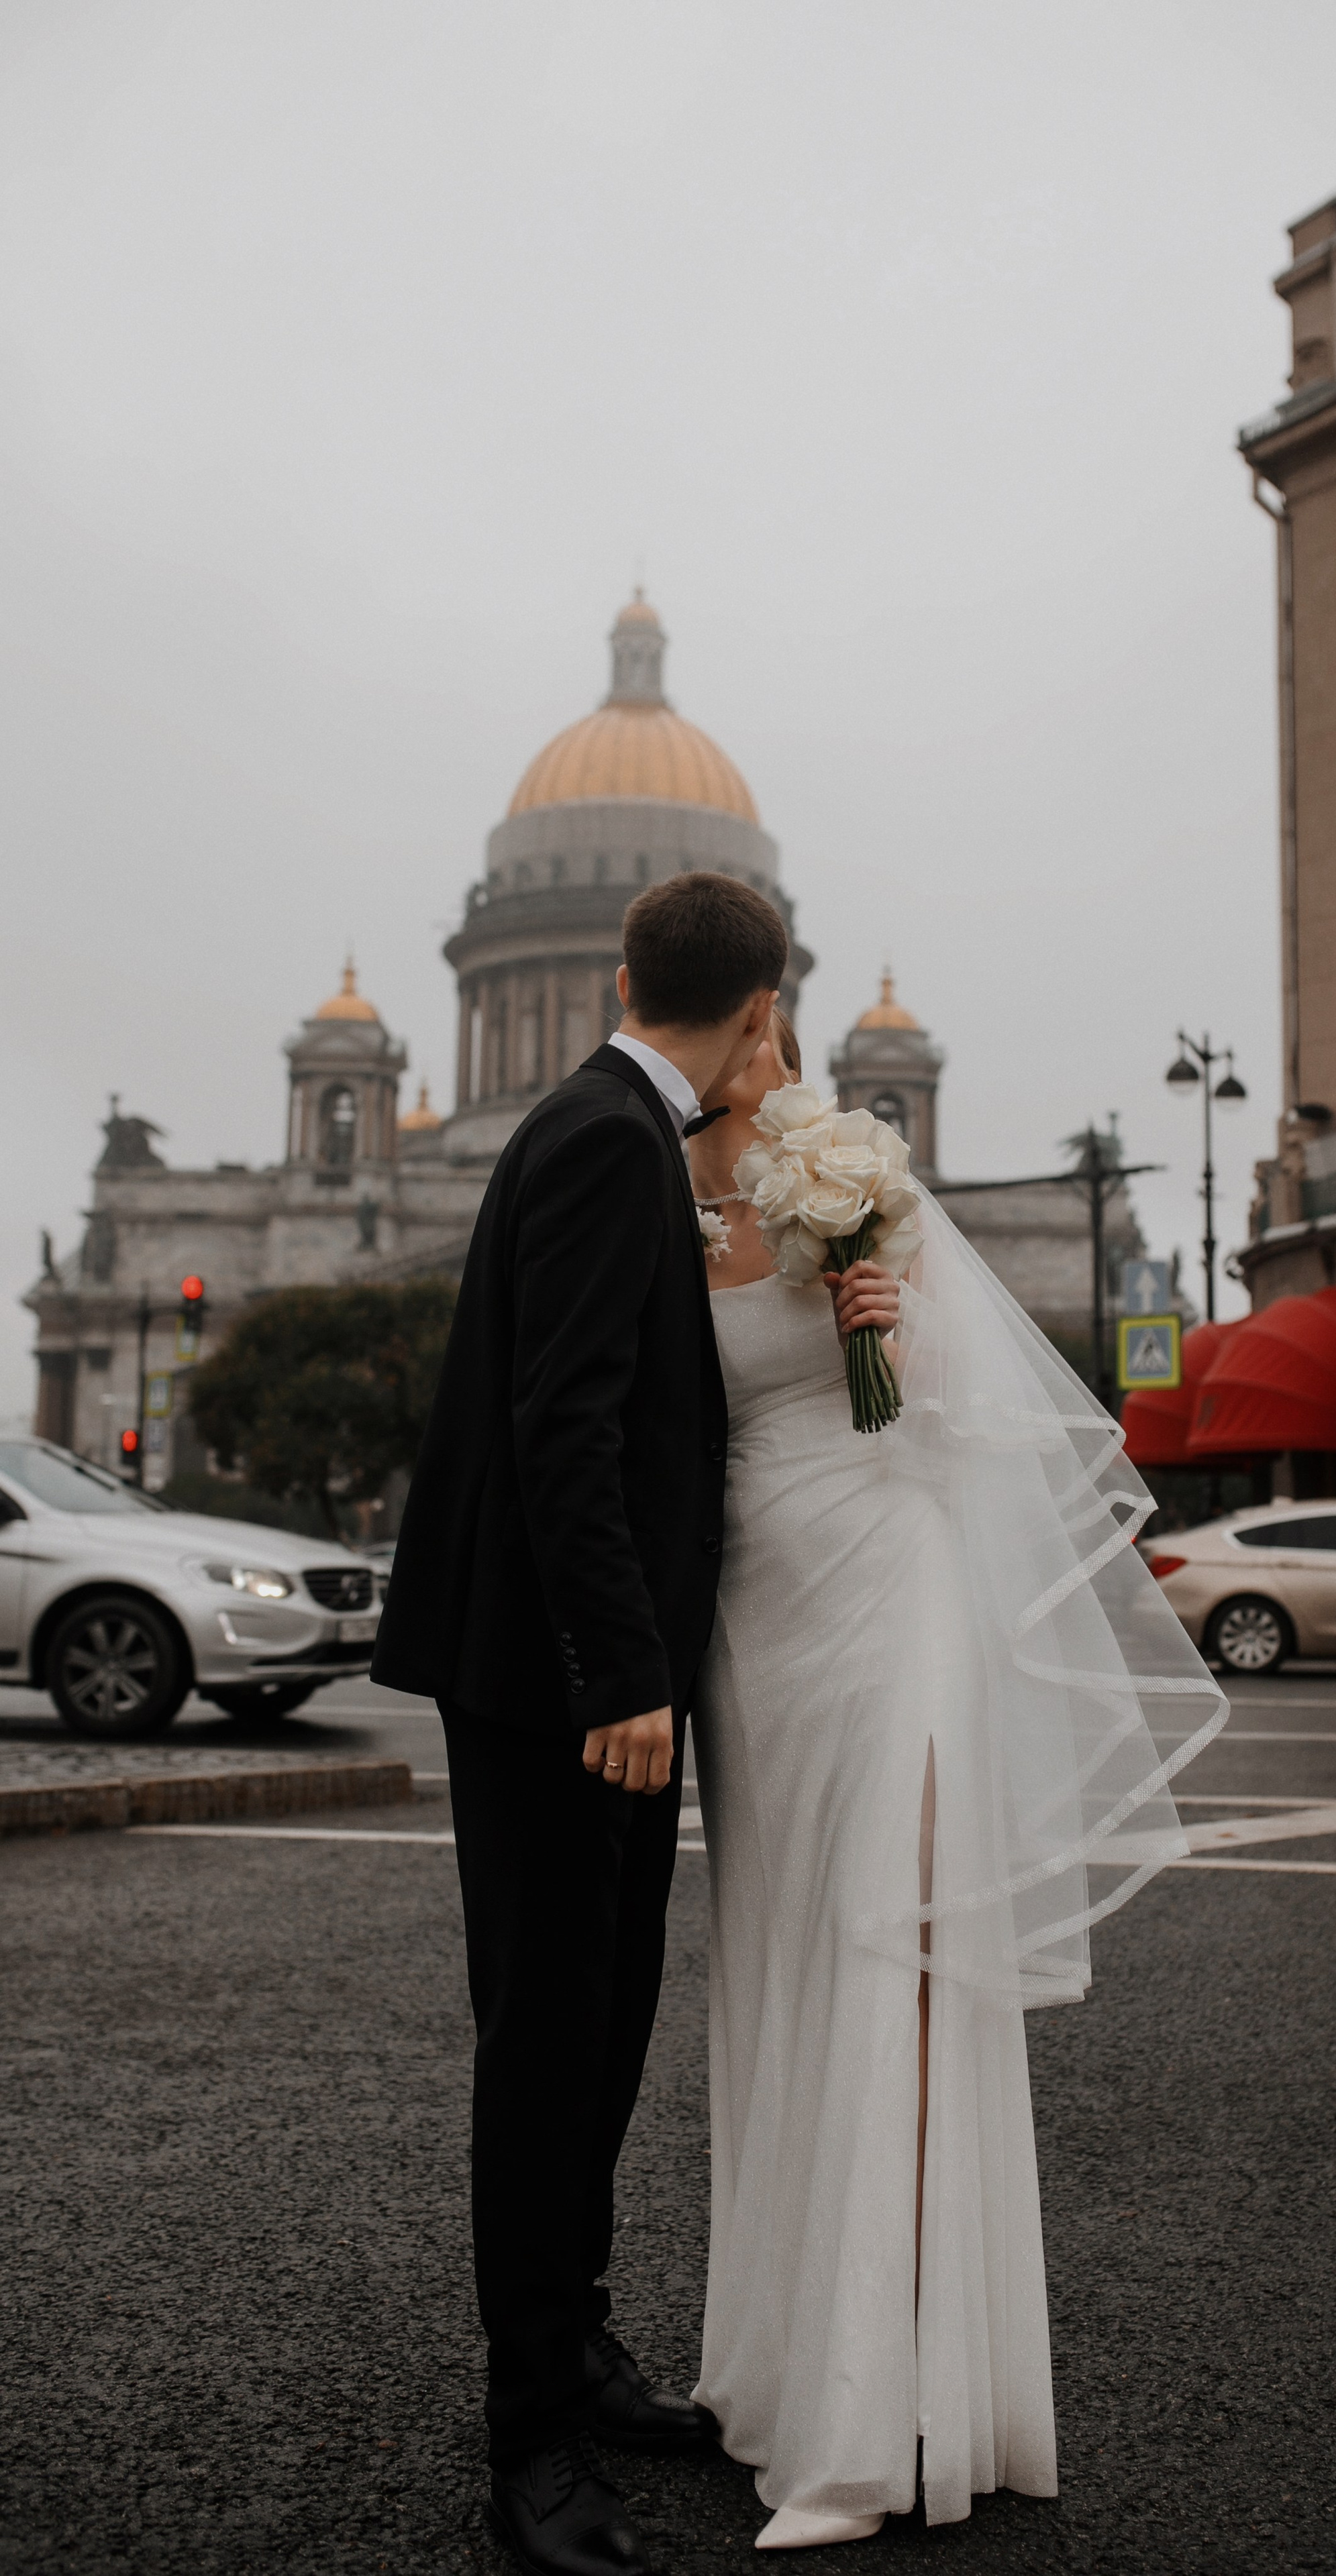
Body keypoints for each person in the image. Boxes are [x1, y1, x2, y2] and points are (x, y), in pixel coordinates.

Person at [374, 875, 878, 2576]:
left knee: (597, 2028)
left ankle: (575, 2355)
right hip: (555, 1686)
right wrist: (626, 1679)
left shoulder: (599, 1124)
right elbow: (563, 1430)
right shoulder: (606, 1145)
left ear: (611, 974)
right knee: (547, 2050)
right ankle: (532, 2441)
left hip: (565, 1674)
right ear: (762, 1011)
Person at [686, 1019, 1229, 2548]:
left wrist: (889, 1322)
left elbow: (956, 1405)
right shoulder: (658, 1194)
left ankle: (863, 2438)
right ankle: (786, 2376)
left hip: (889, 1572)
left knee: (890, 1952)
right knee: (781, 1963)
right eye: (740, 1033)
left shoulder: (853, 1174)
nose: (752, 1059)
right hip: (755, 1609)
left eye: (765, 1036)